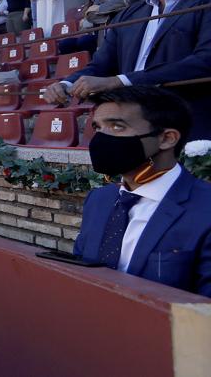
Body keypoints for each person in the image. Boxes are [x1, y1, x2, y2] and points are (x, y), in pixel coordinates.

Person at [46, 0, 211, 138]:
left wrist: (122, 81)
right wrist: (66, 84)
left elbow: (205, 61)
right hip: (136, 128)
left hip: (193, 125)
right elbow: (101, 64)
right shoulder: (131, 13)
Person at [73, 86, 211, 297]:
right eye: (97, 127)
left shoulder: (205, 209)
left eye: (117, 126)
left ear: (167, 138)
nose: (101, 138)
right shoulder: (98, 199)